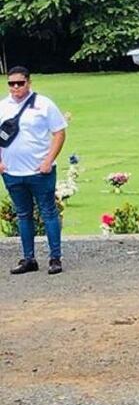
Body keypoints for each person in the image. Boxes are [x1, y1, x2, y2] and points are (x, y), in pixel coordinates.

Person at [0, 66, 68, 274]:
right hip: (12, 171)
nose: (16, 87)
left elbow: (59, 132)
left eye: (20, 83)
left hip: (40, 171)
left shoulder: (44, 104)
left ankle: (55, 257)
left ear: (29, 82)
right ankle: (28, 258)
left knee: (48, 212)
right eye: (11, 84)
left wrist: (49, 160)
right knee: (23, 214)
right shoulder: (3, 106)